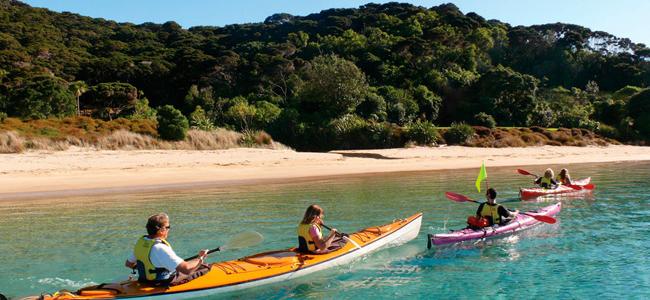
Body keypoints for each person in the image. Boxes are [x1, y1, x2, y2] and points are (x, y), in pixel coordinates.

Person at [125, 213, 210, 286]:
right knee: (205, 267)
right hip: (161, 283)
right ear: (161, 230)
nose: (169, 229)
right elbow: (186, 269)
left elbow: (129, 264)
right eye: (168, 227)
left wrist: (144, 269)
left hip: (144, 280)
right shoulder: (160, 248)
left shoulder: (141, 243)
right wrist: (201, 258)